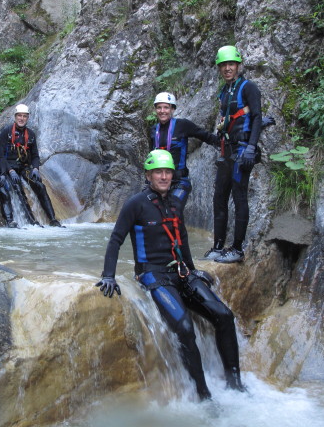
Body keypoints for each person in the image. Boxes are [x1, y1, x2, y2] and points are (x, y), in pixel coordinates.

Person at [96, 149, 245, 400]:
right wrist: (108, 275)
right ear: (148, 175)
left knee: (224, 315)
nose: (163, 176)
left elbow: (182, 238)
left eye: (167, 172)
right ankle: (202, 393)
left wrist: (192, 269)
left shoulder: (175, 202)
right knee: (185, 327)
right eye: (158, 172)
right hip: (152, 275)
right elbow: (116, 239)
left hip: (181, 272)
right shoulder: (136, 204)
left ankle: (235, 383)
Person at [204, 46, 262, 264]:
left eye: (231, 64)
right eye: (223, 65)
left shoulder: (248, 88)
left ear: (238, 65)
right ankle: (218, 245)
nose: (227, 68)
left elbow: (256, 117)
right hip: (226, 151)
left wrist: (251, 147)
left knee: (239, 198)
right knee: (219, 198)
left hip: (241, 151)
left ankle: (237, 249)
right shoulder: (225, 91)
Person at [149, 92, 218, 214]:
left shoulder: (183, 125)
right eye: (159, 107)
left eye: (166, 107)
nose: (162, 111)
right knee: (148, 211)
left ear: (172, 109)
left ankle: (179, 232)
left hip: (179, 181)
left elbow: (205, 136)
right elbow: (151, 158)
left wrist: (224, 144)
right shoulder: (154, 130)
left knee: (173, 210)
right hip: (159, 182)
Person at [0, 104, 63, 227]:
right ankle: (31, 221)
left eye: (25, 116)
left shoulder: (31, 134)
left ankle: (53, 219)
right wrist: (10, 170)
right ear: (15, 117)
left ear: (28, 118)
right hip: (9, 166)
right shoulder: (6, 132)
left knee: (40, 186)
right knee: (17, 187)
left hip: (24, 167)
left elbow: (35, 156)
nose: (22, 118)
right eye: (19, 116)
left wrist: (36, 168)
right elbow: (0, 155)